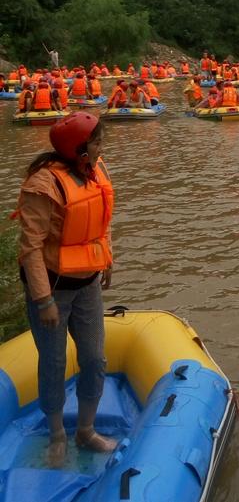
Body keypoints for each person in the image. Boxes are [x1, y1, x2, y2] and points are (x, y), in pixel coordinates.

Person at [15, 112, 116, 464]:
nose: (103, 146)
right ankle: (57, 434)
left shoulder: (96, 169)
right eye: (97, 141)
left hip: (87, 282)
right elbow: (30, 247)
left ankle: (85, 431)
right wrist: (43, 301)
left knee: (94, 358)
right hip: (52, 288)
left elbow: (100, 221)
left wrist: (107, 259)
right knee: (54, 362)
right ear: (78, 149)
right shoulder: (43, 185)